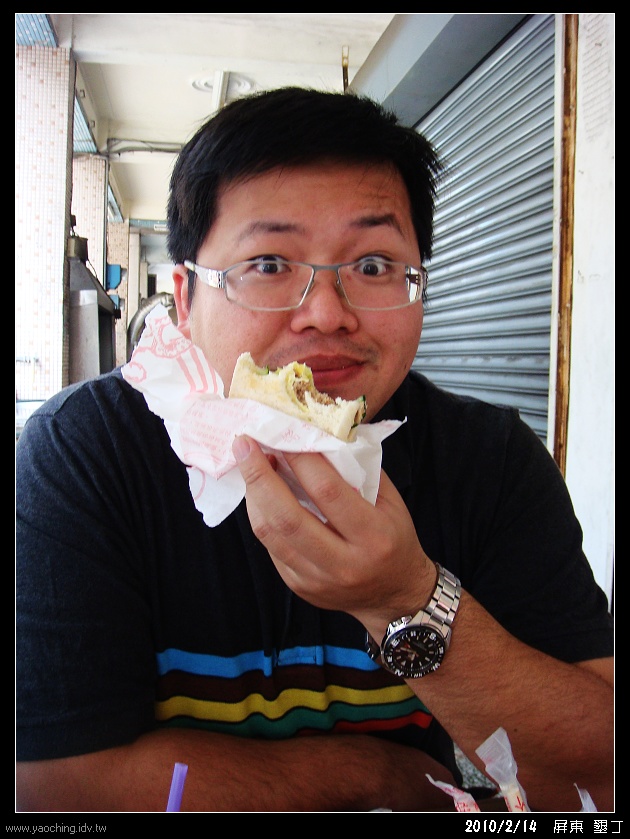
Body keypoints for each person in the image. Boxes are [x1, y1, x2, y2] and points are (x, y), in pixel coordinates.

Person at [16, 87, 613, 813]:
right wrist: (373, 773)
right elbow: (53, 787)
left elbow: (598, 777)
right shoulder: (84, 455)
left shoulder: (489, 461)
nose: (327, 314)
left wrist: (406, 598)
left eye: (374, 265)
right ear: (185, 298)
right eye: (270, 264)